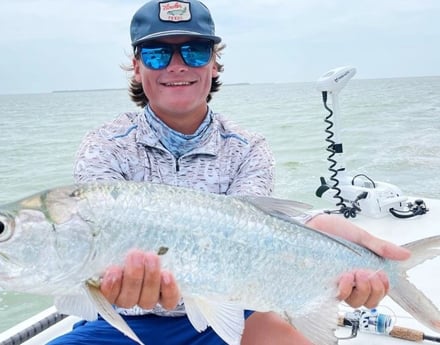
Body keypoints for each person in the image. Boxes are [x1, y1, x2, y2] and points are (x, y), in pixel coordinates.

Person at [49, 1, 410, 344]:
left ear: (215, 64)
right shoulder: (104, 145)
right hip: (124, 321)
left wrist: (318, 228)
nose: (177, 65)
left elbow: (253, 227)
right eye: (158, 54)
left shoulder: (248, 147)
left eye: (195, 51)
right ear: (138, 66)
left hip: (233, 310)